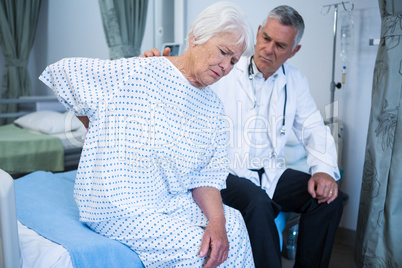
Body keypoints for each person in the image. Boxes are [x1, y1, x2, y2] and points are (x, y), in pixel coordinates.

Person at [39, 2, 256, 267]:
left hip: (169, 200)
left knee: (234, 227)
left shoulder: (213, 108)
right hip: (120, 202)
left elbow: (206, 176)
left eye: (233, 61)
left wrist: (217, 223)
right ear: (196, 37)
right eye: (223, 52)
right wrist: (96, 126)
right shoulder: (143, 70)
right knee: (197, 250)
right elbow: (65, 73)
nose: (225, 66)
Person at [144, 5, 344, 268]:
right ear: (259, 33)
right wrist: (157, 64)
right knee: (258, 204)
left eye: (281, 46)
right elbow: (188, 72)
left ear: (294, 51)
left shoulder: (295, 82)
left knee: (329, 199)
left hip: (271, 172)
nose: (268, 50)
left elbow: (314, 128)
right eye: (266, 38)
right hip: (227, 171)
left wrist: (324, 171)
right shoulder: (225, 69)